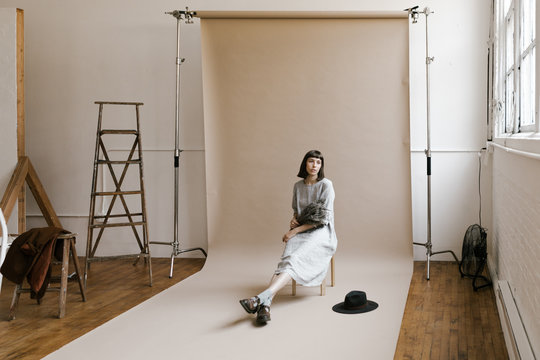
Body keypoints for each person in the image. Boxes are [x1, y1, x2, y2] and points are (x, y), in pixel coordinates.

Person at [239, 150, 338, 324]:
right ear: (304, 164)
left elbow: (322, 219)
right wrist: (293, 220)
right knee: (287, 260)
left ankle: (260, 298)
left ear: (321, 166)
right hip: (301, 228)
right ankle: (264, 305)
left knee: (295, 258)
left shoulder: (326, 185)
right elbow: (296, 210)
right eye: (311, 161)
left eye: (318, 162)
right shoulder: (297, 186)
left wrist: (293, 231)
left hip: (321, 231)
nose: (314, 166)